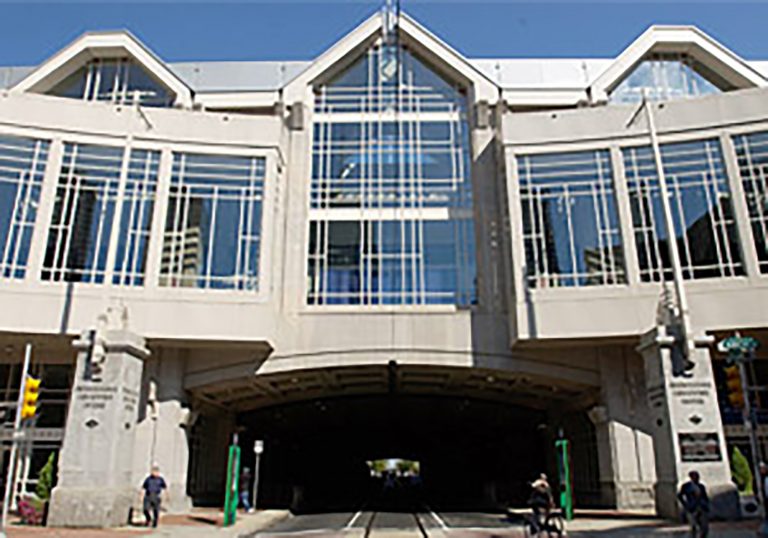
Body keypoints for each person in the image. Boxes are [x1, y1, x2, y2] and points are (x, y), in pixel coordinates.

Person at [677, 470, 709, 538]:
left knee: (704, 527)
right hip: (691, 508)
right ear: (691, 477)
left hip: (701, 507)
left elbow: (705, 496)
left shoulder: (701, 486)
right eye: (695, 476)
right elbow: (680, 495)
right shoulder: (686, 486)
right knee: (693, 526)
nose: (697, 478)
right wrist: (685, 504)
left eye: (697, 476)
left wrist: (705, 504)